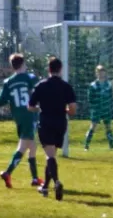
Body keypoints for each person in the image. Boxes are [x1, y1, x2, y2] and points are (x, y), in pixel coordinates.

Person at [28, 57, 77, 200]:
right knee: (52, 156)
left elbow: (31, 107)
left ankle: (57, 182)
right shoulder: (66, 86)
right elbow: (73, 109)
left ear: (48, 69)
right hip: (60, 123)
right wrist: (65, 111)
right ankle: (45, 187)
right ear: (60, 69)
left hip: (46, 122)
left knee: (50, 156)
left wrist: (40, 108)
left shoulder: (41, 86)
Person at [0, 53, 43, 188]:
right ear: (23, 64)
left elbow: (0, 101)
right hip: (30, 115)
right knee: (23, 147)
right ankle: (7, 172)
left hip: (18, 117)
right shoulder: (30, 78)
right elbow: (40, 90)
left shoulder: (8, 82)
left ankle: (35, 178)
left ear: (12, 66)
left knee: (32, 146)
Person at [84, 65, 113, 151]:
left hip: (106, 109)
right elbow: (90, 98)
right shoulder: (93, 85)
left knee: (108, 127)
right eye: (99, 72)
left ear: (105, 73)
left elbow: (111, 96)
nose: (101, 74)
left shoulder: (108, 84)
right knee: (93, 127)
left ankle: (112, 146)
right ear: (96, 73)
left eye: (102, 72)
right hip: (96, 109)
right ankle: (86, 145)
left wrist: (108, 105)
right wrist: (94, 106)